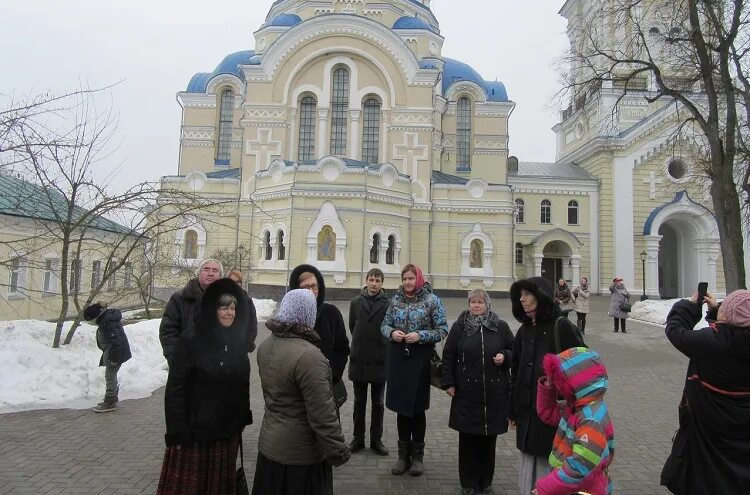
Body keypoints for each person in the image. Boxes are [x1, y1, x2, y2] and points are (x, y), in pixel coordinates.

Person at [157, 278, 252, 494]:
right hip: (195, 434)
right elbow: (175, 390)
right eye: (223, 308)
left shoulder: (236, 342)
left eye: (232, 307)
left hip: (226, 432)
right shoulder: (191, 340)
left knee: (219, 486)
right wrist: (177, 431)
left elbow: (242, 385)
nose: (229, 313)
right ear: (211, 309)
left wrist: (241, 418)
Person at [252, 289, 351, 495]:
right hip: (301, 456)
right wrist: (338, 451)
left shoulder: (266, 345)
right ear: (308, 315)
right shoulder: (310, 357)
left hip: (270, 447)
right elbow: (322, 414)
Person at [661, 289, 750, 494]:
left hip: (707, 431)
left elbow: (675, 330)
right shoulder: (715, 341)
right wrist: (717, 313)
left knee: (707, 478)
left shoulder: (710, 343)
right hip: (743, 435)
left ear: (728, 316)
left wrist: (690, 306)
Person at [508, 277, 585, 495]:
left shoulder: (561, 327)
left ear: (540, 295)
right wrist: (512, 409)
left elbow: (583, 367)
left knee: (550, 466)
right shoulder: (524, 331)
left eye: (527, 294)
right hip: (527, 415)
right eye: (520, 295)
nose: (522, 299)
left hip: (555, 416)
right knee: (528, 466)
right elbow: (516, 372)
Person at [442, 288, 514, 495]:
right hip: (467, 393)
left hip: (494, 394)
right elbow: (448, 355)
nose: (475, 305)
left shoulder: (500, 327)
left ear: (487, 305)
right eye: (472, 302)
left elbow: (514, 350)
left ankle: (485, 482)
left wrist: (504, 357)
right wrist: (449, 383)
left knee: (488, 442)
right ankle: (468, 483)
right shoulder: (459, 327)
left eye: (479, 302)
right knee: (468, 441)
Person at [380, 264, 448, 477]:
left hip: (420, 359)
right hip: (399, 359)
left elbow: (442, 329)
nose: (408, 282)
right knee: (402, 408)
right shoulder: (395, 300)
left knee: (417, 409)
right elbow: (384, 325)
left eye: (411, 278)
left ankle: (417, 457)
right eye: (405, 279)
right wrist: (392, 333)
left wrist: (421, 336)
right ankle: (402, 456)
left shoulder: (431, 301)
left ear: (418, 279)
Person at [532, 347, 615, 495]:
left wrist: (544, 488)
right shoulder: (576, 407)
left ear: (575, 384)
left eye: (558, 380)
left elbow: (579, 468)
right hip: (569, 486)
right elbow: (548, 413)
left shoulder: (590, 421)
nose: (557, 385)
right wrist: (548, 386)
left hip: (583, 489)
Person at [160, 260, 258, 366]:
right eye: (206, 269)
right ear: (199, 273)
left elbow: (250, 326)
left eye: (215, 270)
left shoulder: (238, 299)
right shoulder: (180, 299)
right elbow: (168, 332)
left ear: (220, 276)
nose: (210, 273)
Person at [288, 265, 350, 408]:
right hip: (297, 391)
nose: (311, 291)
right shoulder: (290, 317)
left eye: (314, 286)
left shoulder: (331, 313)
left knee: (328, 428)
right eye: (305, 287)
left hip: (326, 388)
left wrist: (332, 374)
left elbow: (342, 348)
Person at [347, 268, 390, 456]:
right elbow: (352, 326)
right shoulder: (356, 302)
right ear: (366, 280)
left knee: (378, 403)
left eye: (378, 280)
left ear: (382, 283)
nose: (374, 283)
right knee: (359, 401)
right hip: (360, 359)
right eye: (371, 280)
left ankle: (376, 440)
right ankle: (358, 438)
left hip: (380, 360)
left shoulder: (389, 304)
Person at [83, 302, 132, 413]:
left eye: (90, 320)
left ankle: (109, 402)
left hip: (114, 354)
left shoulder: (107, 323)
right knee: (111, 375)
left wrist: (114, 359)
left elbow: (117, 343)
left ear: (95, 317)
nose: (92, 323)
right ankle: (112, 398)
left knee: (110, 376)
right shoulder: (107, 319)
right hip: (112, 352)